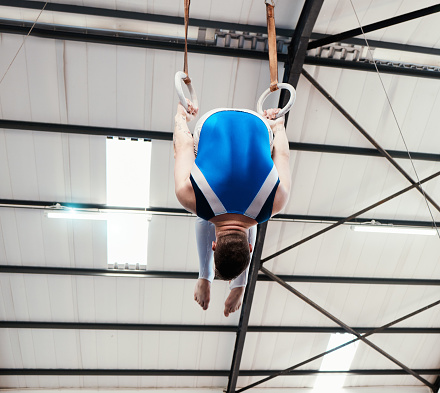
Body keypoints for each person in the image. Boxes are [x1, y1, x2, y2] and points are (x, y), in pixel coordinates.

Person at [173, 100, 291, 317]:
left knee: (254, 215)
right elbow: (184, 145)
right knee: (204, 210)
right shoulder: (186, 195)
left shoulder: (278, 202)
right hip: (211, 120)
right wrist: (181, 117)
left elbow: (282, 155)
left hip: (259, 125)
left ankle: (230, 281)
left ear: (251, 247)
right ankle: (218, 278)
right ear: (214, 245)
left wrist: (278, 126)